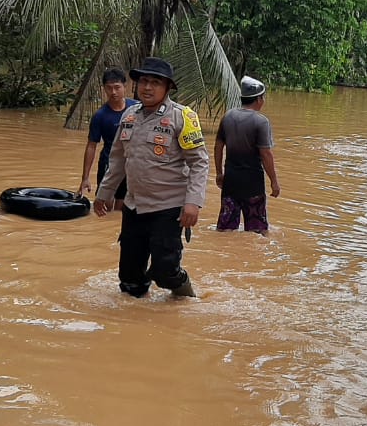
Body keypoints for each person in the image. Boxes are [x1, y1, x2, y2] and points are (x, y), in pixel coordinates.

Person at [94, 57, 209, 298]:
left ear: (167, 88)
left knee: (165, 271)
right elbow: (117, 160)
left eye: (155, 82)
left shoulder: (182, 117)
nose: (147, 87)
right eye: (143, 81)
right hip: (133, 205)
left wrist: (193, 202)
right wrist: (104, 194)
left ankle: (187, 299)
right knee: (129, 277)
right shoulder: (129, 116)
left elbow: (199, 162)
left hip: (168, 206)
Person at [214, 76, 280, 235]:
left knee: (225, 230)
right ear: (259, 99)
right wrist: (274, 182)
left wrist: (219, 173)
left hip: (230, 181)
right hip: (253, 184)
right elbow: (266, 154)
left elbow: (218, 146)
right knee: (258, 231)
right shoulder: (261, 122)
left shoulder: (228, 116)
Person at [80, 67, 140, 211]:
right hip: (108, 163)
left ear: (126, 87)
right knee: (104, 205)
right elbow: (91, 146)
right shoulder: (100, 116)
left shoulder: (137, 109)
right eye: (109, 88)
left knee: (121, 208)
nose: (113, 92)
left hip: (130, 164)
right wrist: (85, 178)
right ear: (104, 89)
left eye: (117, 87)